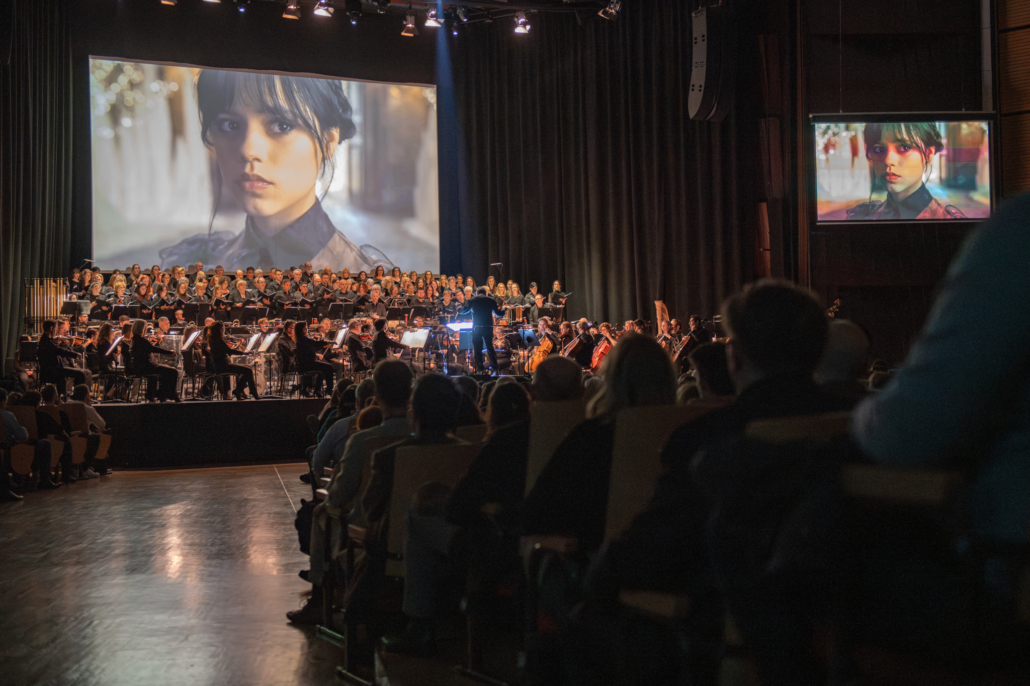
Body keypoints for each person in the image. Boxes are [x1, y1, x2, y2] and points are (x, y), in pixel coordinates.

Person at [158, 71, 393, 270]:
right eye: (230, 125)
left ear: (328, 141)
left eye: (282, 125)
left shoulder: (366, 281)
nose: (247, 150)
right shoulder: (198, 263)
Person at [382, 381, 533, 655]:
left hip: (498, 543)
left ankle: (420, 624)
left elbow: (460, 506)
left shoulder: (502, 443)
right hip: (528, 538)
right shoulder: (551, 438)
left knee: (417, 518)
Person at [290, 360, 414, 625]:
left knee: (321, 512)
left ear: (377, 394)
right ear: (410, 392)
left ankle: (320, 596)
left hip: (373, 529)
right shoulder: (421, 436)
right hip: (415, 530)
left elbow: (338, 496)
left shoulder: (362, 440)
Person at [846, 122, 966, 221]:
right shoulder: (862, 217)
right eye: (879, 149)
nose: (888, 160)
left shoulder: (950, 222)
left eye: (904, 147)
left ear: (928, 153)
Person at [0, 388, 57, 497]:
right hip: (10, 448)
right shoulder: (7, 415)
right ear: (3, 401)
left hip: (3, 450)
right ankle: (44, 479)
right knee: (44, 444)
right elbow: (22, 435)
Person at [205, 321, 260, 400]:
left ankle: (239, 390)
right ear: (220, 329)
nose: (224, 330)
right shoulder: (218, 340)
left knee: (248, 369)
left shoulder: (215, 339)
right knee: (248, 370)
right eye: (223, 328)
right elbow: (230, 351)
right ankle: (250, 392)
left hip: (222, 364)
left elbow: (227, 351)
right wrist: (245, 353)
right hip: (223, 366)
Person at [458, 286, 506, 374]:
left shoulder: (473, 300)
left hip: (477, 328)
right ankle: (495, 367)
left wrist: (458, 308)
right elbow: (498, 314)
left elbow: (464, 311)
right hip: (488, 327)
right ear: (485, 293)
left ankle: (480, 369)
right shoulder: (491, 300)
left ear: (477, 293)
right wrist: (504, 309)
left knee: (478, 348)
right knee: (490, 347)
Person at [130, 319, 180, 402]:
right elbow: (153, 349)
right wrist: (170, 352)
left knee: (167, 371)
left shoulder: (135, 339)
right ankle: (164, 394)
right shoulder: (140, 340)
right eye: (145, 327)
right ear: (142, 328)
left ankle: (161, 393)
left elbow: (149, 348)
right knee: (173, 371)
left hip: (142, 366)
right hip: (147, 367)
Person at [35, 319, 88, 396]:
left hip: (55, 369)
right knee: (80, 374)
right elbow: (59, 350)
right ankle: (77, 397)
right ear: (51, 328)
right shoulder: (46, 341)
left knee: (79, 374)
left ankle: (70, 396)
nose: (56, 330)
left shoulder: (48, 340)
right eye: (56, 328)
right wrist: (74, 354)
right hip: (50, 371)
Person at [293, 321, 333, 397]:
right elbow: (316, 344)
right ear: (302, 330)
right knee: (329, 367)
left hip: (306, 363)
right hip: (308, 364)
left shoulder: (300, 340)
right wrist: (329, 342)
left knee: (323, 369)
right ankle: (329, 391)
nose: (307, 330)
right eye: (306, 328)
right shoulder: (304, 340)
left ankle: (317, 391)